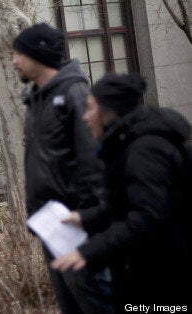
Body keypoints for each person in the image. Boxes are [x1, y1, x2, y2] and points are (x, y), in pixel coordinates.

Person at [51, 73, 191, 310]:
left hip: (164, 277)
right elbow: (132, 204)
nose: (86, 118)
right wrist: (84, 217)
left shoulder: (145, 151)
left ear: (109, 112)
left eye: (91, 109)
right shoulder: (130, 144)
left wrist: (87, 252)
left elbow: (146, 218)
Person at [12, 22, 113, 313]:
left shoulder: (74, 92)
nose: (14, 61)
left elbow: (93, 159)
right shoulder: (37, 98)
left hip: (77, 225)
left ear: (39, 55)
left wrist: (88, 216)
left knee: (97, 303)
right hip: (52, 225)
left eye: (19, 54)